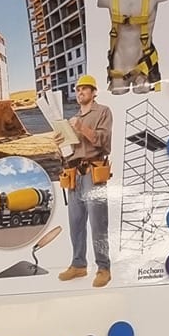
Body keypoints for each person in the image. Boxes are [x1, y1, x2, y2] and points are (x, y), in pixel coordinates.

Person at [56, 75, 113, 288]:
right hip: (74, 175)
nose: (80, 92)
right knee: (76, 224)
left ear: (94, 92)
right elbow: (68, 152)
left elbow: (104, 142)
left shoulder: (103, 112)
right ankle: (78, 265)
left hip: (93, 173)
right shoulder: (72, 119)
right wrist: (58, 145)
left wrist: (81, 128)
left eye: (84, 89)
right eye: (78, 89)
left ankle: (104, 268)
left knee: (98, 224)